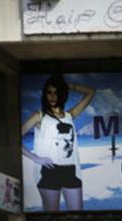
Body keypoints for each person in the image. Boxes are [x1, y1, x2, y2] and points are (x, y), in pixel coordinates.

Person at [22, 74, 96, 212]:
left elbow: (91, 92)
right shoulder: (40, 115)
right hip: (50, 171)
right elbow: (17, 137)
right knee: (52, 217)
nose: (52, 96)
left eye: (56, 92)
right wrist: (36, 158)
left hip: (70, 170)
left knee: (78, 215)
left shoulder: (70, 115)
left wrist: (68, 86)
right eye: (49, 92)